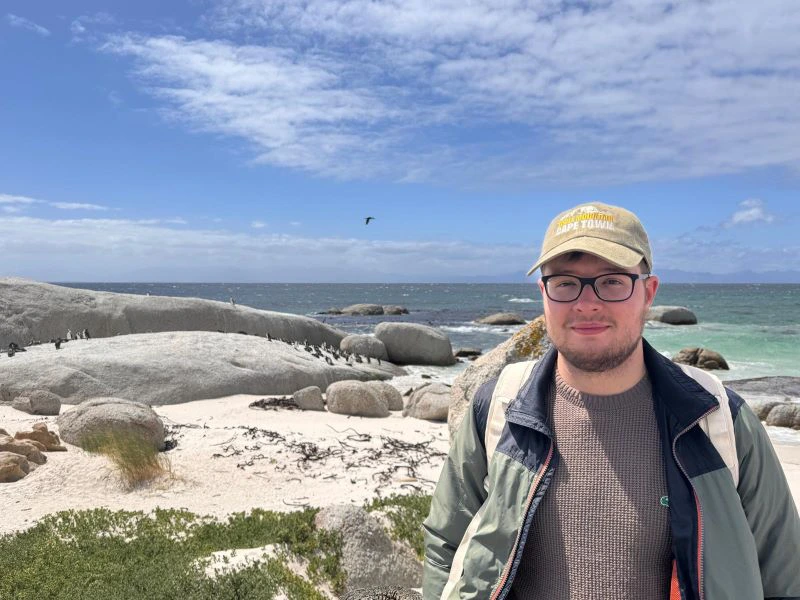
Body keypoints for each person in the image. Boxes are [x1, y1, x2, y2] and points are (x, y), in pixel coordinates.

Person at [422, 202, 800, 600]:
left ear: (648, 292)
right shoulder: (500, 408)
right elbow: (444, 545)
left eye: (613, 281)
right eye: (565, 282)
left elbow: (784, 573)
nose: (587, 303)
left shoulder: (718, 419)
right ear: (543, 294)